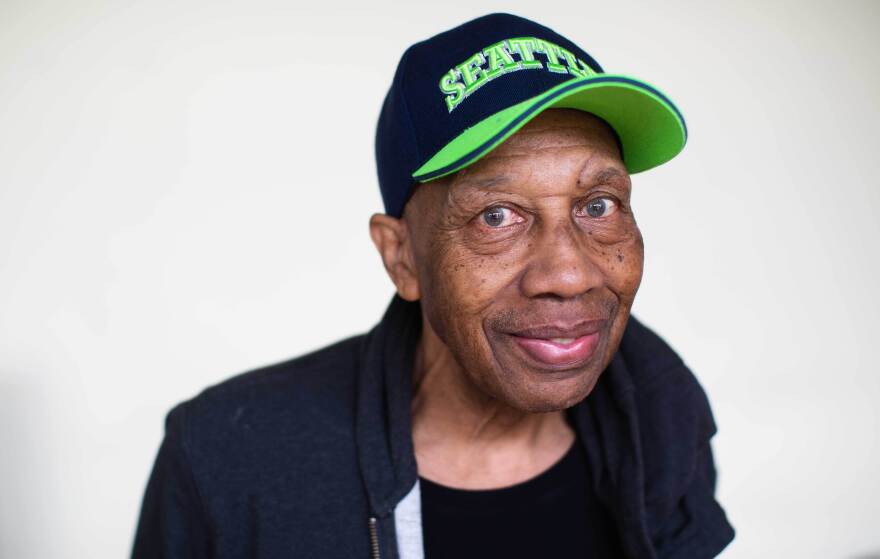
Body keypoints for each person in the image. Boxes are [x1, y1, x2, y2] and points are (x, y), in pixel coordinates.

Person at [132, 12, 735, 559]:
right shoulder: (229, 459)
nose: (570, 273)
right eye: (496, 215)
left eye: (598, 204)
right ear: (402, 259)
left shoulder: (662, 421)